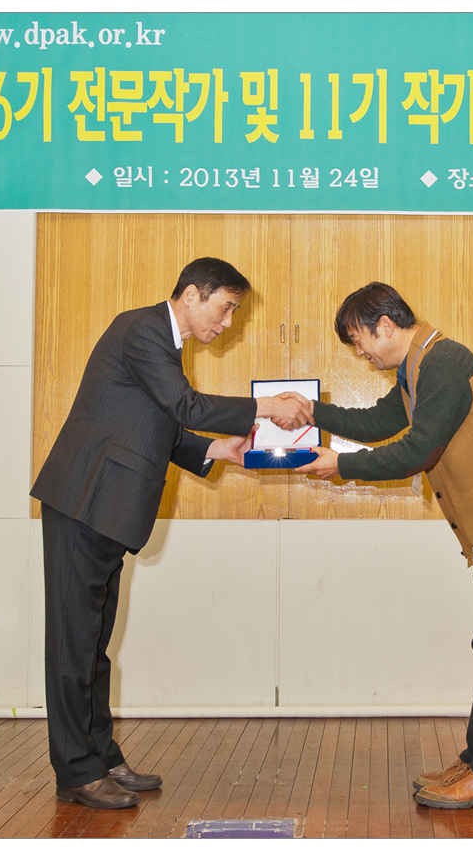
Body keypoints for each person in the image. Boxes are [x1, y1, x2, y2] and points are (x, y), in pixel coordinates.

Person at [29, 257, 311, 809]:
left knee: (93, 644)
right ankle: (76, 771)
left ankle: (101, 755)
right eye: (225, 308)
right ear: (192, 295)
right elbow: (185, 406)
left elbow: (162, 423)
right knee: (72, 644)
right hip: (84, 500)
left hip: (104, 508)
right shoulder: (142, 329)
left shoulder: (159, 342)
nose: (227, 323)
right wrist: (267, 406)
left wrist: (216, 449)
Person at [291, 282, 473, 810]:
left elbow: (415, 450)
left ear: (386, 325)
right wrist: (311, 412)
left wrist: (340, 465)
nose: (360, 353)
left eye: (359, 340)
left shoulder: (443, 364)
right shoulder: (418, 367)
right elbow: (380, 423)